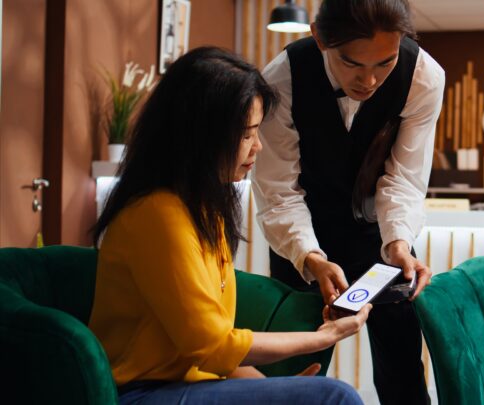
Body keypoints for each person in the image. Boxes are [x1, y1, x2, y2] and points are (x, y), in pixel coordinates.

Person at [89, 47, 370, 405]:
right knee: (335, 396)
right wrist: (324, 336)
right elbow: (213, 346)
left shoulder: (204, 208)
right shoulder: (157, 215)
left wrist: (269, 389)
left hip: (188, 385)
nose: (259, 147)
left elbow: (212, 351)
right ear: (201, 135)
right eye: (247, 134)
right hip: (141, 393)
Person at [253, 1, 445, 403]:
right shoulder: (281, 79)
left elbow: (404, 179)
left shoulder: (424, 76)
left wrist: (397, 244)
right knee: (293, 370)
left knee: (403, 369)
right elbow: (279, 191)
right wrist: (309, 256)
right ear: (320, 38)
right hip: (302, 236)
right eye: (352, 63)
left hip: (380, 233)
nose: (370, 80)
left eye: (385, 63)